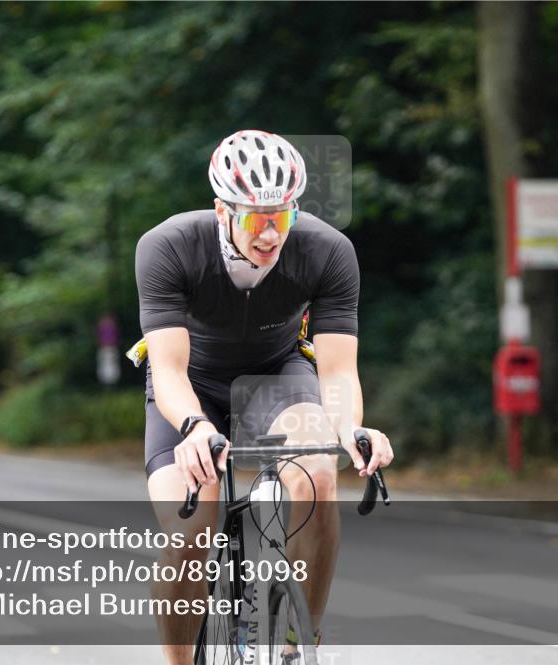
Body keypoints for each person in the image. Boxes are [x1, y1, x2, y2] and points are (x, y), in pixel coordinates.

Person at [134, 130, 394, 664]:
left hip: (279, 376)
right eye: (256, 217)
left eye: (284, 214)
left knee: (320, 475)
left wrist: (350, 430)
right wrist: (193, 428)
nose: (271, 232)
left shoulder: (327, 251)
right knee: (191, 529)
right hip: (191, 389)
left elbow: (339, 372)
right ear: (221, 210)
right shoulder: (168, 246)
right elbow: (168, 368)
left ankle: (302, 641)